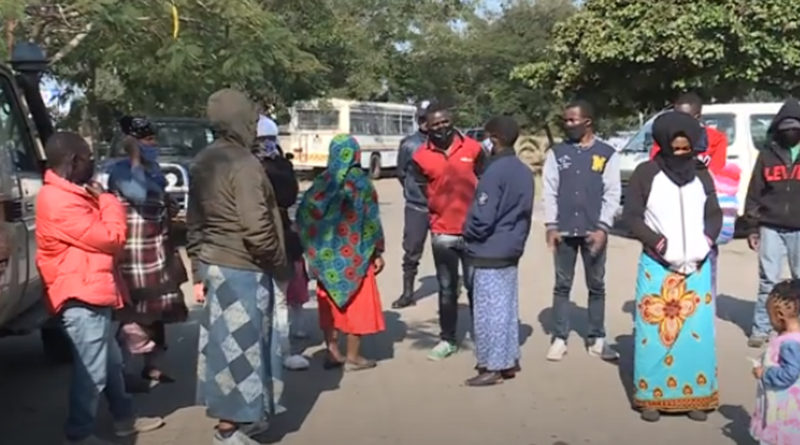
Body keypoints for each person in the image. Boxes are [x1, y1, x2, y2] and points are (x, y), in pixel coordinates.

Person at [36, 132, 164, 445]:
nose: (94, 164)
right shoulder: (59, 201)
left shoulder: (72, 194)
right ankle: (79, 434)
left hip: (93, 290)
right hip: (80, 295)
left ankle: (124, 419)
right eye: (89, 158)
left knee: (110, 364)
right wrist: (108, 199)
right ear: (73, 161)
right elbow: (111, 238)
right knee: (92, 372)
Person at [188, 89, 287, 445]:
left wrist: (198, 269)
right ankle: (228, 429)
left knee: (227, 345)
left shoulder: (203, 160)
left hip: (216, 263)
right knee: (241, 348)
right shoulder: (244, 163)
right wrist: (278, 265)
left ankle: (246, 417)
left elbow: (194, 222)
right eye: (249, 117)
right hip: (243, 266)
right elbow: (256, 227)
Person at [623, 111, 722, 423]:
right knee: (654, 335)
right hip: (657, 267)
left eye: (686, 148)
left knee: (697, 333)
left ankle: (696, 396)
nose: (681, 154)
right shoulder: (646, 173)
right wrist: (659, 243)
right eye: (675, 148)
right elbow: (632, 216)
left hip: (697, 266)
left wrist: (706, 241)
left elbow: (714, 214)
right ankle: (652, 398)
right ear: (663, 145)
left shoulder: (702, 175)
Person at [108, 116, 188, 386]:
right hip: (134, 256)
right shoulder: (121, 171)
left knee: (158, 313)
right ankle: (126, 374)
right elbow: (139, 195)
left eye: (153, 139)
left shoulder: (153, 168)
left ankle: (152, 367)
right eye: (146, 140)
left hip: (157, 249)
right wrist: (133, 158)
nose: (152, 144)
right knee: (135, 316)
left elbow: (157, 198)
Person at [297, 134, 386, 371]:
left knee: (330, 306)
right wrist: (377, 250)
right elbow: (372, 220)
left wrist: (314, 248)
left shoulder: (321, 183)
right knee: (357, 303)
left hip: (326, 261)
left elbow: (303, 215)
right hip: (357, 256)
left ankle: (333, 352)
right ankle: (354, 357)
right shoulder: (362, 183)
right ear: (356, 154)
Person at [542, 100, 621, 362]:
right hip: (564, 230)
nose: (568, 125)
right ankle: (560, 337)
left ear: (588, 121)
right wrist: (551, 225)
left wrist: (602, 228)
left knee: (596, 285)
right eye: (565, 120)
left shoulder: (607, 154)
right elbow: (549, 190)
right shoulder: (557, 153)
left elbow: (612, 193)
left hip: (593, 231)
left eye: (573, 120)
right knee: (562, 285)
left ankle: (597, 338)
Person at [463, 116, 534, 386]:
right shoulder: (523, 171)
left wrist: (468, 233)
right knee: (506, 307)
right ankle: (508, 360)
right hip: (512, 247)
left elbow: (483, 216)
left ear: (494, 138)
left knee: (488, 311)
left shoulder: (495, 172)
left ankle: (491, 366)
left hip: (489, 249)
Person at [411, 103, 485, 361]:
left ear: (452, 120)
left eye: (445, 122)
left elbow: (486, 185)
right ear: (426, 126)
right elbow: (420, 190)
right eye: (435, 124)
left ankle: (483, 338)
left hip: (474, 232)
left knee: (478, 287)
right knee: (447, 288)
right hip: (443, 234)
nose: (441, 127)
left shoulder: (474, 149)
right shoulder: (420, 156)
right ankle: (447, 340)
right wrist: (436, 212)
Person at [254, 115, 310, 372]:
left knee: (278, 298)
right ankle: (268, 351)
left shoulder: (278, 166)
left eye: (269, 140)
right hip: (254, 238)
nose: (266, 144)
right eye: (262, 140)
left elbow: (288, 197)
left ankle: (282, 350)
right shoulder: (241, 165)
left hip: (279, 237)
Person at [744, 98, 800, 348]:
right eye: (786, 127)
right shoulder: (766, 156)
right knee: (769, 279)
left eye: (795, 127)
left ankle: (795, 327)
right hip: (770, 225)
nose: (790, 132)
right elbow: (755, 192)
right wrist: (752, 226)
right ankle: (761, 328)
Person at [750, 279, 800, 445]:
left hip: (784, 404)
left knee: (783, 435)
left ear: (779, 315)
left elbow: (789, 373)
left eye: (769, 315)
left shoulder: (789, 343)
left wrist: (765, 372)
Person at [392, 102, 430, 309]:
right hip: (417, 206)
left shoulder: (446, 143)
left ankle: (449, 291)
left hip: (441, 208)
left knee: (448, 249)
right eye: (422, 119)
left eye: (428, 119)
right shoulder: (408, 144)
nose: (425, 123)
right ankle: (408, 292)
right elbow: (401, 173)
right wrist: (413, 191)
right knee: (412, 250)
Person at [649, 92, 728, 175]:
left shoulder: (717, 139)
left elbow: (716, 173)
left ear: (697, 117)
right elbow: (654, 169)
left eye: (685, 118)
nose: (679, 122)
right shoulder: (664, 137)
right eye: (676, 117)